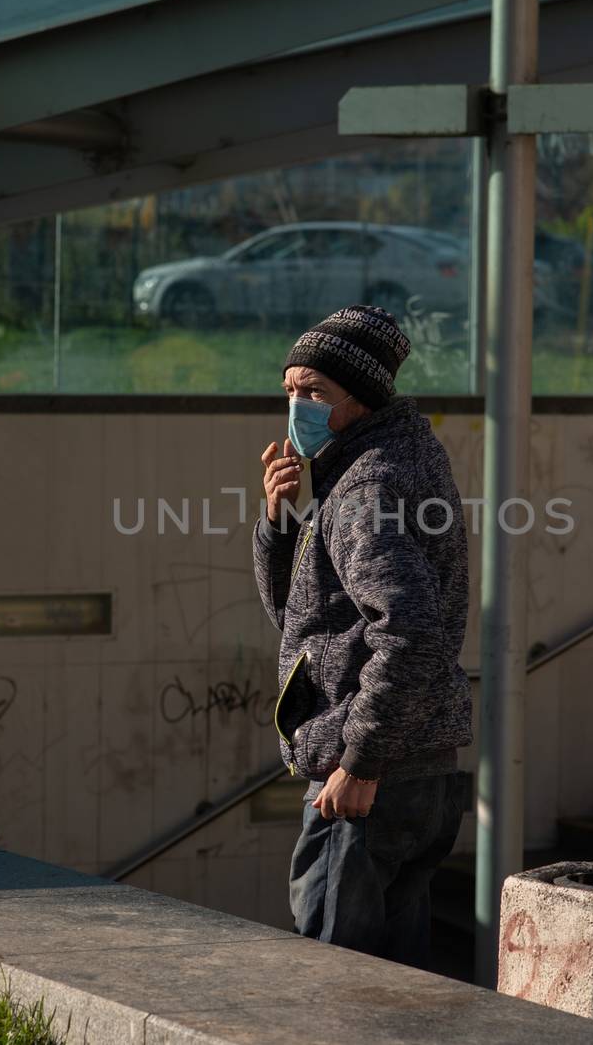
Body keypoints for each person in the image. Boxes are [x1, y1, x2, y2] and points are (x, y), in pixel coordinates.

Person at [253, 304, 472, 969]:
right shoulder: (403, 458)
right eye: (289, 390)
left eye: (314, 392)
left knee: (332, 979)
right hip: (422, 768)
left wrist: (361, 762)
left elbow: (410, 634)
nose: (297, 406)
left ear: (362, 397)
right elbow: (306, 617)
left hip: (370, 780)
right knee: (396, 981)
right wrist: (278, 521)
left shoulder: (363, 487)